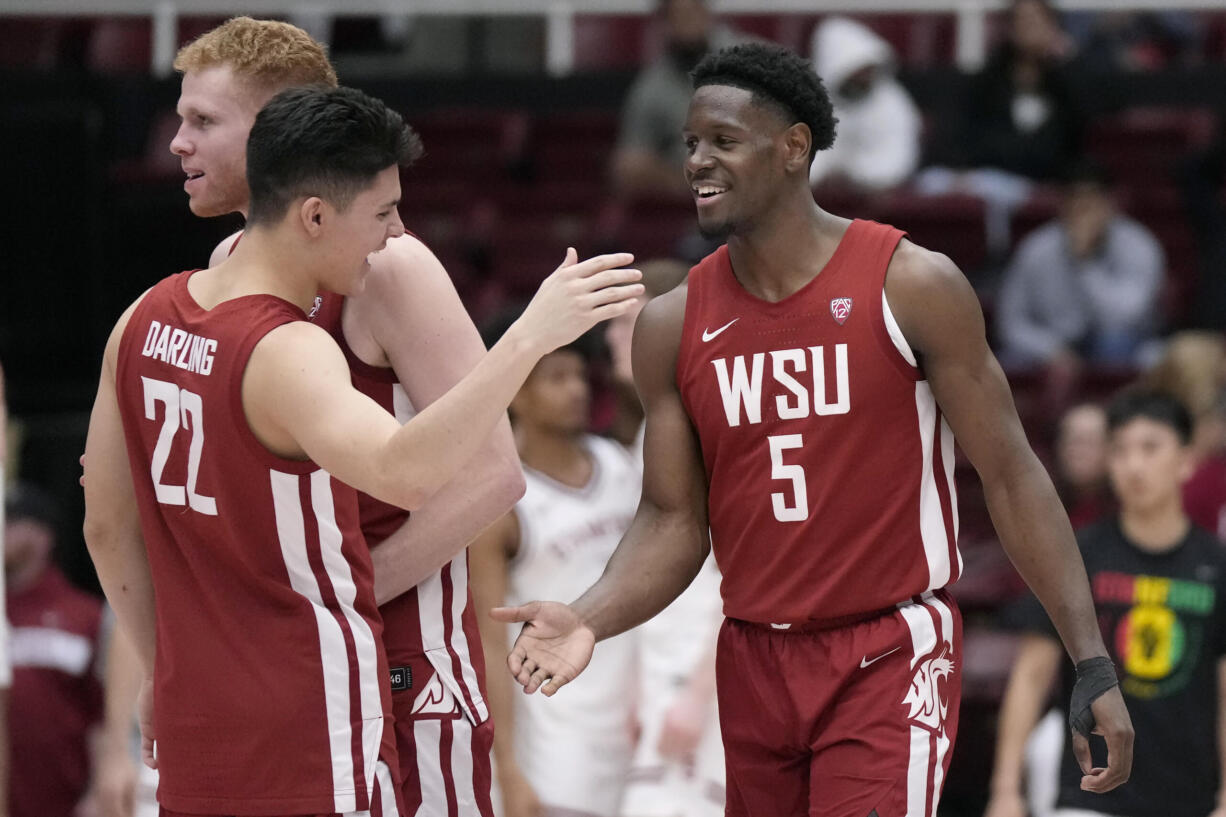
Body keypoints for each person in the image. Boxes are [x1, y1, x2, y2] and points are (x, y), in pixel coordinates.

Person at [493, 42, 1134, 817]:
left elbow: (1011, 474)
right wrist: (587, 615)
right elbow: (671, 520)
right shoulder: (672, 324)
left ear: (794, 147)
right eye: (691, 143)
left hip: (887, 648)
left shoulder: (910, 282)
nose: (698, 160)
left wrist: (1090, 656)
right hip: (753, 656)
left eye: (723, 141)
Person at [82, 84, 642, 816]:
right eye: (381, 215)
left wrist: (163, 662)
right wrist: (529, 336)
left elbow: (102, 524)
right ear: (315, 215)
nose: (393, 235)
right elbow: (403, 470)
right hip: (307, 706)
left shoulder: (140, 319)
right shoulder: (287, 349)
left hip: (197, 713)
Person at [985, 389, 1226, 817]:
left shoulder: (1216, 564)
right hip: (1087, 796)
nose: (1134, 465)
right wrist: (1005, 791)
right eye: (1119, 450)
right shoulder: (1077, 554)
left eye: (1150, 448)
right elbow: (1031, 674)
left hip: (1190, 797)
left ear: (1187, 460)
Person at [470, 318, 640, 817]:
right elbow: (489, 640)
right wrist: (507, 768)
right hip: (556, 742)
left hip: (641, 718)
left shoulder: (619, 465)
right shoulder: (501, 504)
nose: (577, 390)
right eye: (557, 377)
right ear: (515, 394)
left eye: (580, 376)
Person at [604, 260, 726, 817]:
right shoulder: (652, 429)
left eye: (627, 322)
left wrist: (698, 696)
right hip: (661, 678)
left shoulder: (705, 422)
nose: (611, 336)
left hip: (701, 680)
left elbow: (741, 573)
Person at [995, 161, 1165, 370]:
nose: (1083, 208)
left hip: (1122, 344)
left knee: (1116, 345)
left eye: (1092, 198)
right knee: (1005, 363)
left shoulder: (1139, 244)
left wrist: (1085, 263)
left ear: (1111, 202)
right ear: (1061, 203)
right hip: (1053, 344)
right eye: (1075, 198)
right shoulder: (1036, 248)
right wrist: (1050, 349)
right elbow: (1011, 323)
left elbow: (1125, 319)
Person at [5, 484, 102, 817]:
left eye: (9, 522)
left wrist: (98, 791)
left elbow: (104, 715)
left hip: (64, 804)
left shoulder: (84, 615)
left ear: (42, 536)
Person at [610, 0, 741, 200]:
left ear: (706, 12)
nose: (688, 24)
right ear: (663, 24)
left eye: (693, 12)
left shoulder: (746, 60)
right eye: (678, 16)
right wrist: (682, 182)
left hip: (748, 181)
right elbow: (628, 164)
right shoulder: (650, 89)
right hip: (687, 197)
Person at [808, 16, 921, 194]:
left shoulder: (892, 101)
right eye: (857, 72)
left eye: (867, 71)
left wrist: (858, 176)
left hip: (878, 197)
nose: (864, 78)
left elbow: (898, 160)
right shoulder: (812, 103)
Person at [1053, 403, 1113, 530]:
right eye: (1070, 441)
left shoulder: (1127, 514)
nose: (1076, 452)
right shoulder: (1044, 504)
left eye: (1088, 442)